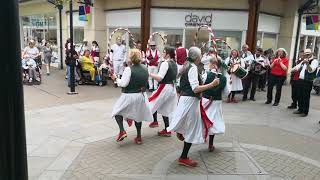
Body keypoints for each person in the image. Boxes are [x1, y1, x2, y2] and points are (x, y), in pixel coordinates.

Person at [168, 47, 220, 167]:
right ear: (196, 57)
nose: (201, 57)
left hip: (187, 100)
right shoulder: (192, 68)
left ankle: (181, 131)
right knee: (192, 128)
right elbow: (195, 88)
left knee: (189, 124)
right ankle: (183, 157)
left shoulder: (187, 66)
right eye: (200, 55)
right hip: (190, 100)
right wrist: (212, 84)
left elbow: (181, 85)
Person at [111, 49, 153, 144]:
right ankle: (138, 137)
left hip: (129, 95)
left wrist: (116, 78)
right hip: (140, 96)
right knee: (138, 116)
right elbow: (146, 83)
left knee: (117, 111)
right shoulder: (145, 68)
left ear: (131, 58)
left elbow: (124, 84)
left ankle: (122, 131)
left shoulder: (128, 69)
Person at [148, 47, 178, 135]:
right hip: (172, 88)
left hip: (164, 87)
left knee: (151, 102)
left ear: (168, 54)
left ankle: (153, 120)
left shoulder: (166, 63)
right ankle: (167, 130)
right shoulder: (174, 63)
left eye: (164, 52)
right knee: (165, 108)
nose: (162, 53)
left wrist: (149, 73)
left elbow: (160, 77)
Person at [202, 55, 227, 152]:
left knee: (203, 119)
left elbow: (199, 86)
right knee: (214, 122)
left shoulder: (205, 75)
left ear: (213, 65)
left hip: (205, 101)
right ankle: (211, 144)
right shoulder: (224, 78)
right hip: (216, 102)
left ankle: (200, 137)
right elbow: (226, 92)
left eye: (209, 63)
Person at [292, 49, 319, 117]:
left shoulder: (314, 61)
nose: (306, 55)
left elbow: (311, 70)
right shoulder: (304, 60)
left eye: (307, 54)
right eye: (305, 54)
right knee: (299, 95)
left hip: (307, 81)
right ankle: (300, 109)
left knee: (305, 97)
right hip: (300, 80)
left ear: (310, 54)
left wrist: (307, 64)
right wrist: (292, 69)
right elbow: (297, 67)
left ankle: (305, 111)